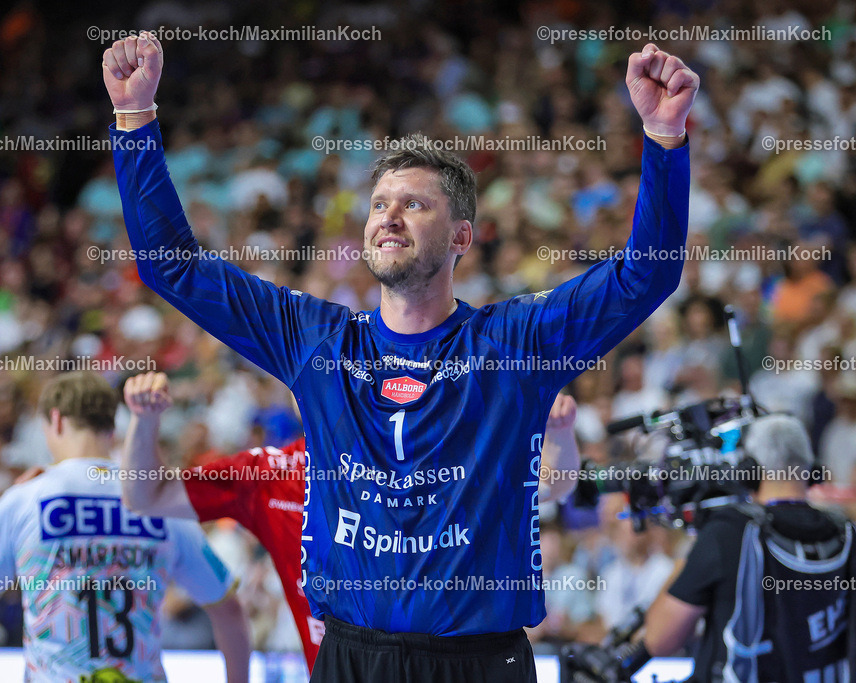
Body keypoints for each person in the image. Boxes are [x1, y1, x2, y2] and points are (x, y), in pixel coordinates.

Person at [104, 32, 696, 681]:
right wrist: (135, 119)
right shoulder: (317, 341)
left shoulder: (514, 345)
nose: (389, 217)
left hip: (477, 663)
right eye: (380, 204)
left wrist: (664, 137)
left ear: (461, 236)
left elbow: (647, 274)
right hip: (350, 658)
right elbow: (173, 267)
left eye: (414, 204)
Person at [118, 371, 583, 673]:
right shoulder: (269, 474)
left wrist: (560, 435)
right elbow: (146, 496)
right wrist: (144, 421)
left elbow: (552, 485)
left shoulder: (434, 463)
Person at [0, 371, 250, 683]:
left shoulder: (23, 499)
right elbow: (229, 611)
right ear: (111, 426)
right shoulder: (159, 501)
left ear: (56, 420)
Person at [644, 415, 855, 682]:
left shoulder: (728, 532)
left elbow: (659, 640)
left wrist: (690, 554)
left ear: (749, 471)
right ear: (811, 468)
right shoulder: (845, 532)